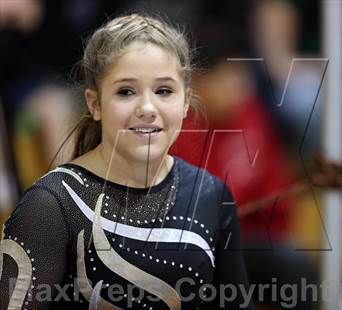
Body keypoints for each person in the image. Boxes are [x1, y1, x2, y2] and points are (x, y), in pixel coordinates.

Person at [0, 14, 251, 309]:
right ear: (94, 104)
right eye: (126, 91)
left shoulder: (210, 194)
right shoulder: (53, 204)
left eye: (164, 91)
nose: (147, 107)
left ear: (186, 103)